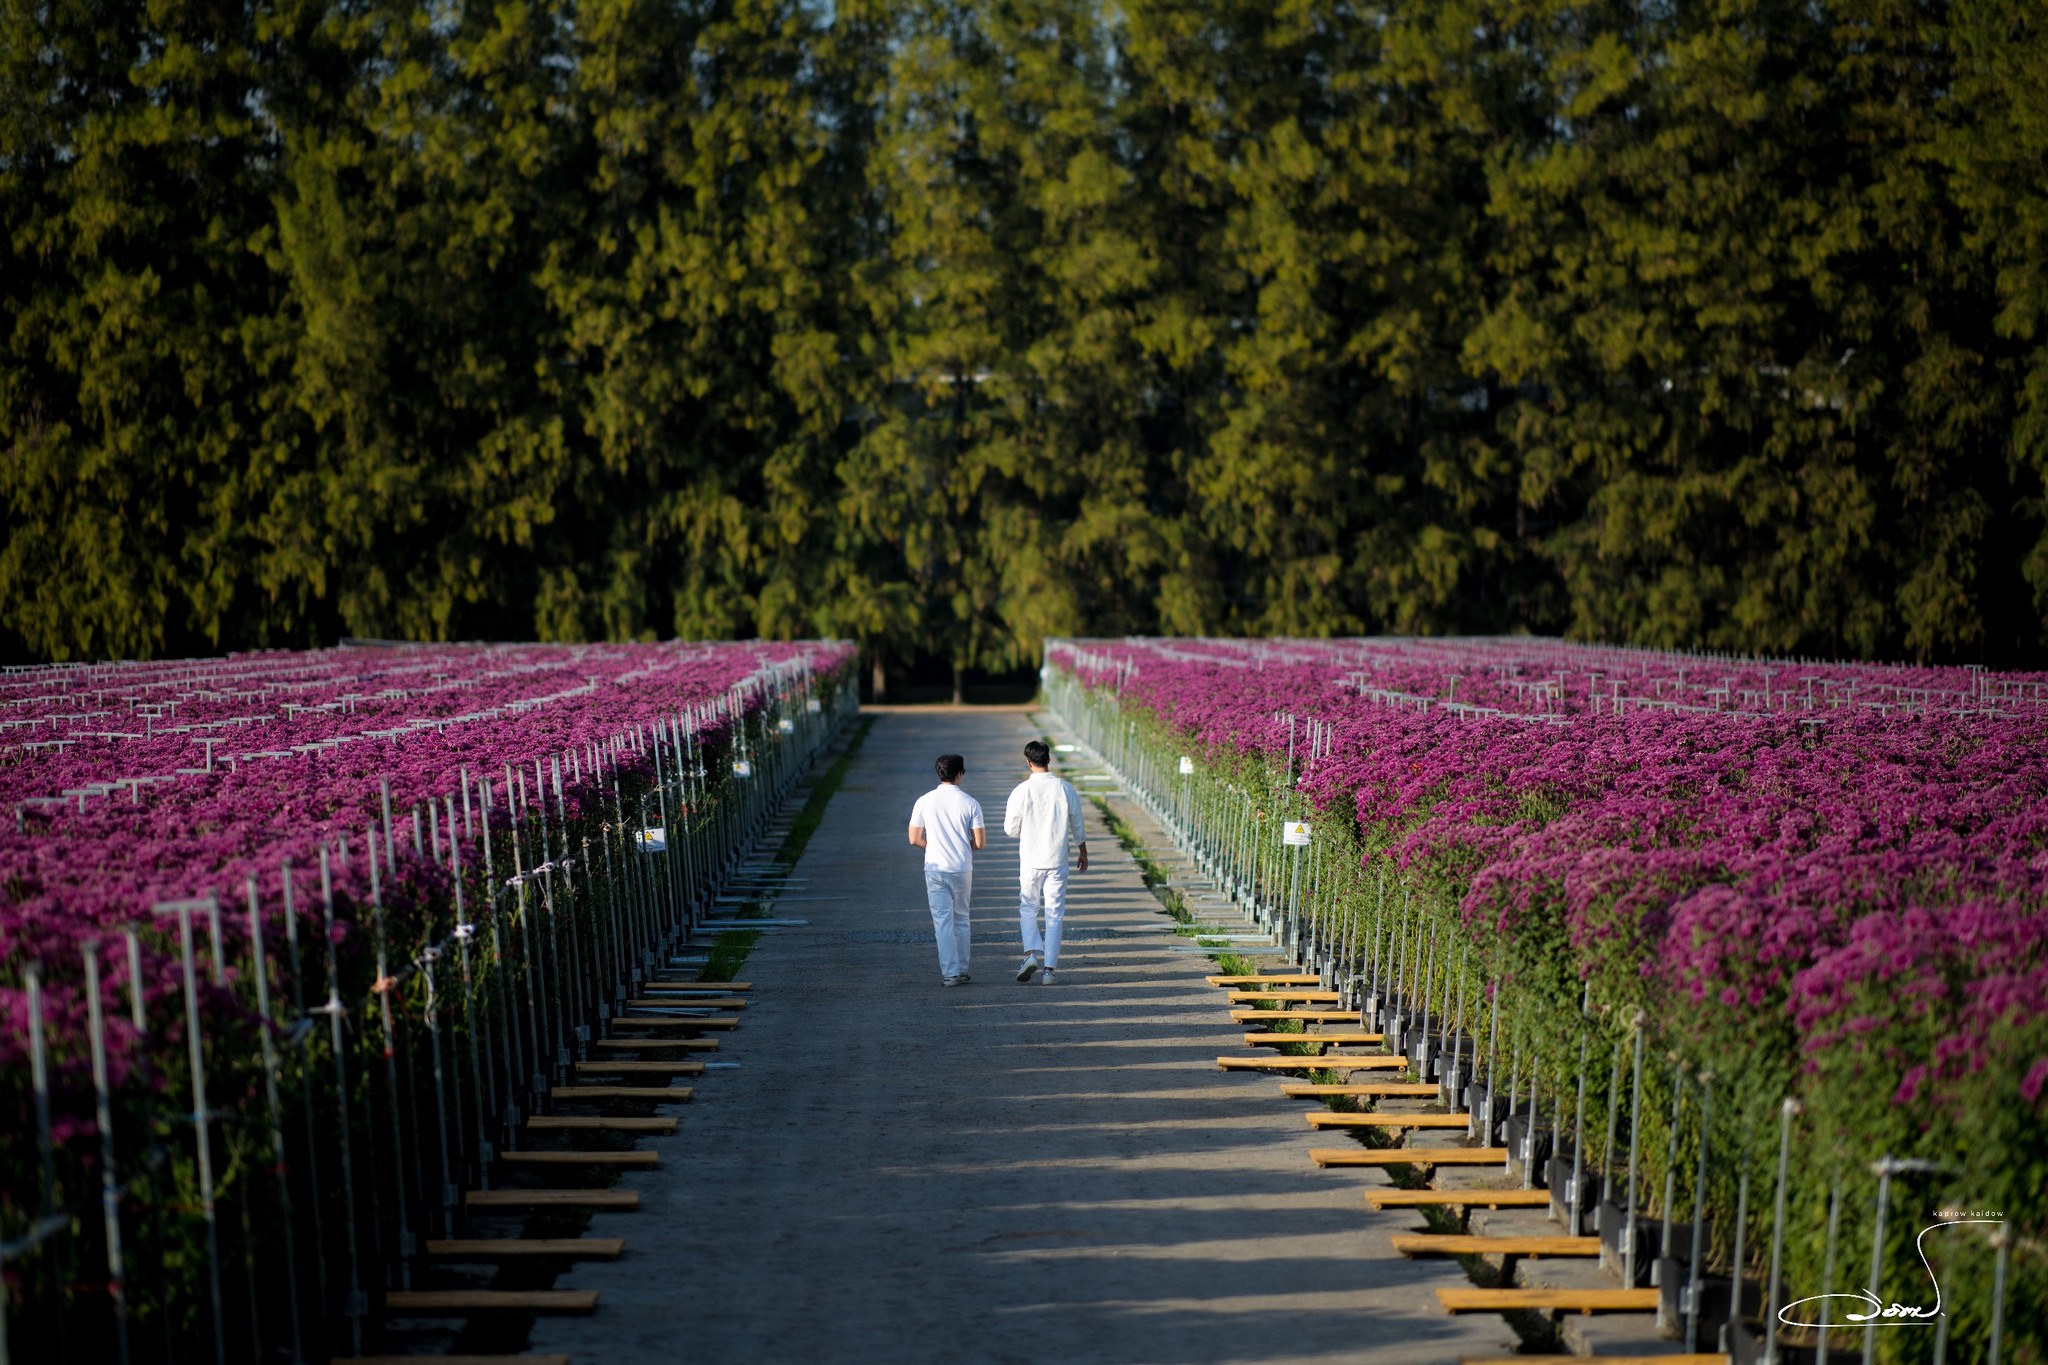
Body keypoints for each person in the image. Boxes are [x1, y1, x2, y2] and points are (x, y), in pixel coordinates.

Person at [1003, 739, 1087, 984]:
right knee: (1054, 913)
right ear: (1048, 759)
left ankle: (1030, 953)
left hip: (1030, 859)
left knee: (1028, 908)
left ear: (1029, 762)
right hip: (1057, 858)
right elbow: (1077, 823)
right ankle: (1049, 969)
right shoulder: (1065, 788)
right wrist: (1083, 851)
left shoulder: (1021, 791)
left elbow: (1010, 829)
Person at [908, 753, 985, 986]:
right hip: (962, 868)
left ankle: (949, 973)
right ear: (960, 774)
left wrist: (932, 846)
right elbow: (980, 842)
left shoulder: (924, 800)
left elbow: (914, 838)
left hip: (934, 867)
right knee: (962, 918)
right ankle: (962, 969)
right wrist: (963, 846)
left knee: (942, 921)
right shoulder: (971, 803)